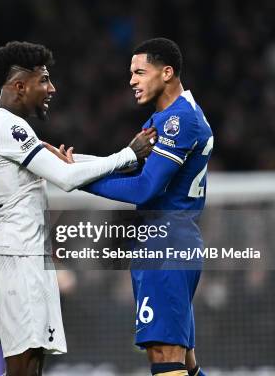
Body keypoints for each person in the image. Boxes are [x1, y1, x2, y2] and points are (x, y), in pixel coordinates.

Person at [0, 41, 155, 376]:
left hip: (24, 251)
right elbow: (66, 177)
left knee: (33, 361)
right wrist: (128, 155)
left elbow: (66, 163)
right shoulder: (6, 128)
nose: (51, 88)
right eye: (43, 80)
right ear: (19, 86)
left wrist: (125, 163)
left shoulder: (6, 128)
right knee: (22, 363)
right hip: (16, 252)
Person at [78, 38, 212, 376]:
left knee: (164, 357)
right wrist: (77, 162)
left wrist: (78, 179)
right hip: (169, 240)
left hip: (165, 242)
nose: (132, 81)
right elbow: (134, 169)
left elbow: (144, 188)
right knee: (185, 362)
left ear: (167, 73)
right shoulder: (168, 116)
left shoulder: (177, 121)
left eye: (140, 72)